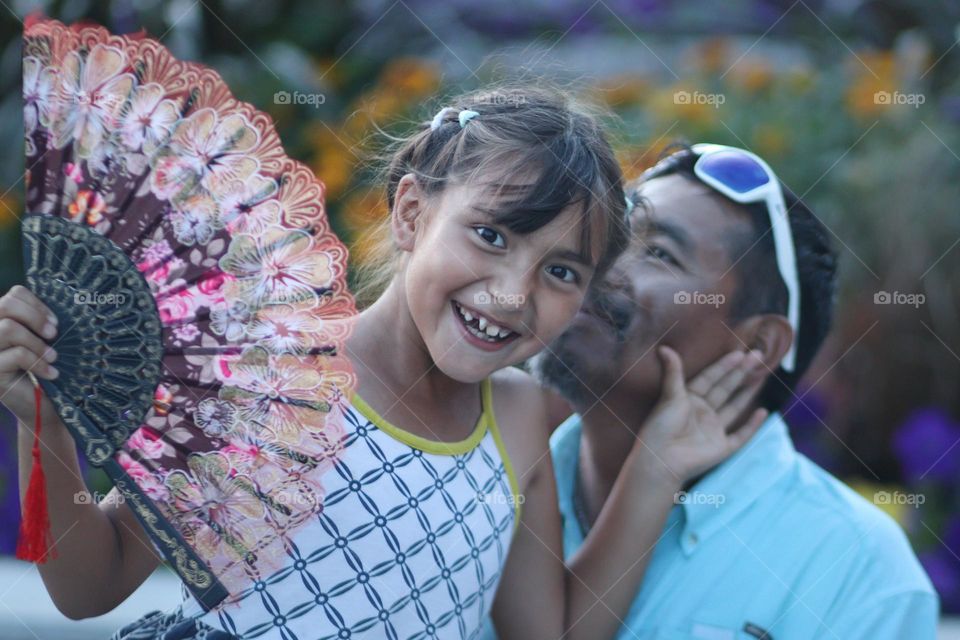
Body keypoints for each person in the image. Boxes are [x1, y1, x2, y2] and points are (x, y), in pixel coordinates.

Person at [1, 90, 764, 640]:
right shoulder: (271, 377)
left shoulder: (519, 418)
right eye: (491, 236)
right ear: (410, 214)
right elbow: (92, 585)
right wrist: (45, 429)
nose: (513, 292)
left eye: (561, 272)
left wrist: (656, 469)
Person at [527, 143, 940, 638]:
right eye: (614, 236)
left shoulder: (858, 570)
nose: (596, 263)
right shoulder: (492, 485)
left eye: (659, 253)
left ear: (759, 345)